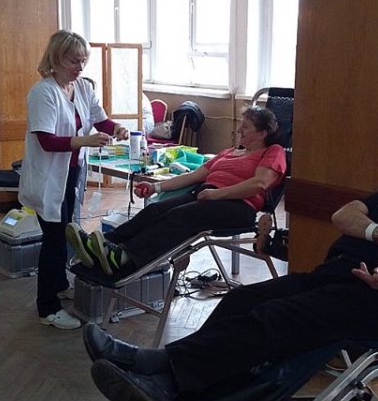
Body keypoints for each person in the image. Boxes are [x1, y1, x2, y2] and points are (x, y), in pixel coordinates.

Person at [84, 139, 378, 401]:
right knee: (240, 301)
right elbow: (343, 216)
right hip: (333, 276)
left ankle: (160, 371)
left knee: (275, 317)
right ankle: (172, 385)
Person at [66, 106, 287, 278]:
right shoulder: (229, 152)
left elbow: (259, 184)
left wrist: (217, 194)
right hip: (206, 195)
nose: (239, 130)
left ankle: (124, 256)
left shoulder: (273, 151)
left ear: (262, 133)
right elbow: (193, 176)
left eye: (246, 127)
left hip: (239, 206)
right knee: (155, 209)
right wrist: (155, 187)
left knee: (178, 216)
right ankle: (103, 246)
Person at [18, 30, 129, 330]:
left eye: (83, 61)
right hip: (47, 177)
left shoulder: (81, 87)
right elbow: (46, 141)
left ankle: (58, 284)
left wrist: (116, 128)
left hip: (70, 173)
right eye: (73, 61)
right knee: (53, 240)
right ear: (55, 59)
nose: (79, 68)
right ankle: (47, 308)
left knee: (66, 232)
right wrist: (85, 141)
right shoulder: (43, 92)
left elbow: (100, 119)